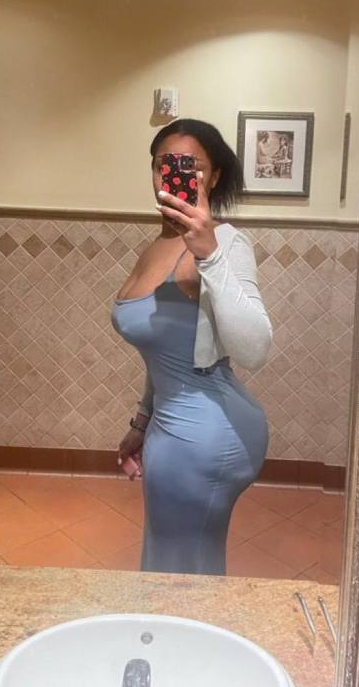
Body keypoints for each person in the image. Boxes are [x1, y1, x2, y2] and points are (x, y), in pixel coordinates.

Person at [111, 118, 272, 576]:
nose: (173, 174)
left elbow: (256, 348)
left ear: (212, 177)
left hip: (207, 432)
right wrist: (142, 421)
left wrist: (210, 254)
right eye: (164, 164)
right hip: (171, 423)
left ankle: (187, 624)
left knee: (184, 571)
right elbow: (164, 351)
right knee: (172, 560)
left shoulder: (226, 244)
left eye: (191, 166)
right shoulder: (157, 246)